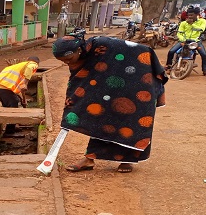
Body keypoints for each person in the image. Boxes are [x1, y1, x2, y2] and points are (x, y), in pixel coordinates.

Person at [52, 35, 168, 173]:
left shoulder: (102, 44)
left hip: (134, 83)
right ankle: (89, 159)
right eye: (62, 61)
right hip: (109, 87)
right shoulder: (83, 54)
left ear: (78, 49)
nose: (66, 63)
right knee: (99, 119)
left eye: (68, 59)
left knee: (130, 121)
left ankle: (126, 160)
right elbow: (82, 78)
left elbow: (140, 51)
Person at [0, 56, 40, 133]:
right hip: (3, 87)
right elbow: (30, 68)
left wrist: (23, 99)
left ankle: (10, 125)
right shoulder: (32, 64)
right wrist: (26, 83)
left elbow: (21, 89)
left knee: (11, 104)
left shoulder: (18, 67)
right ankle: (10, 130)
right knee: (13, 104)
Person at [166, 7, 206, 77]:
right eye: (189, 15)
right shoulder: (183, 23)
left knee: (204, 55)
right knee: (171, 51)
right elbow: (179, 33)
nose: (189, 17)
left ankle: (205, 70)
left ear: (197, 15)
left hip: (196, 41)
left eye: (191, 15)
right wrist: (182, 39)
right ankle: (168, 66)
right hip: (184, 40)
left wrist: (192, 24)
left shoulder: (202, 21)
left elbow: (201, 29)